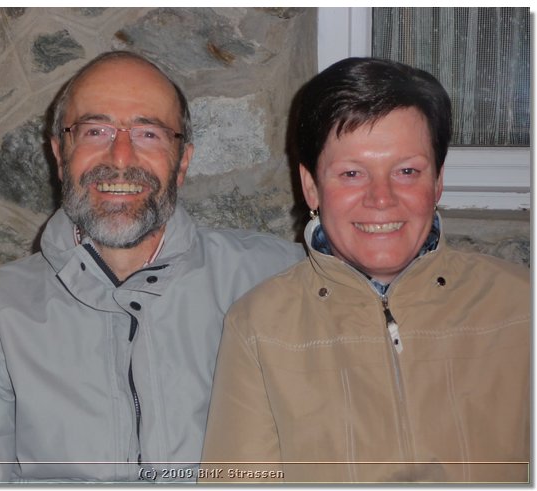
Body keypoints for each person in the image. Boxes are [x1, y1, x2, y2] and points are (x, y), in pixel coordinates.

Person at [0, 50, 305, 483]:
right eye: (95, 130)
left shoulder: (275, 281)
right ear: (60, 155)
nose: (121, 157)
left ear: (182, 161)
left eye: (148, 133)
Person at [200, 57, 530, 483]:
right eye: (352, 173)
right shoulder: (258, 327)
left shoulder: (522, 308)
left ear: (438, 181)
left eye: (407, 171)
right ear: (311, 187)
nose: (381, 198)